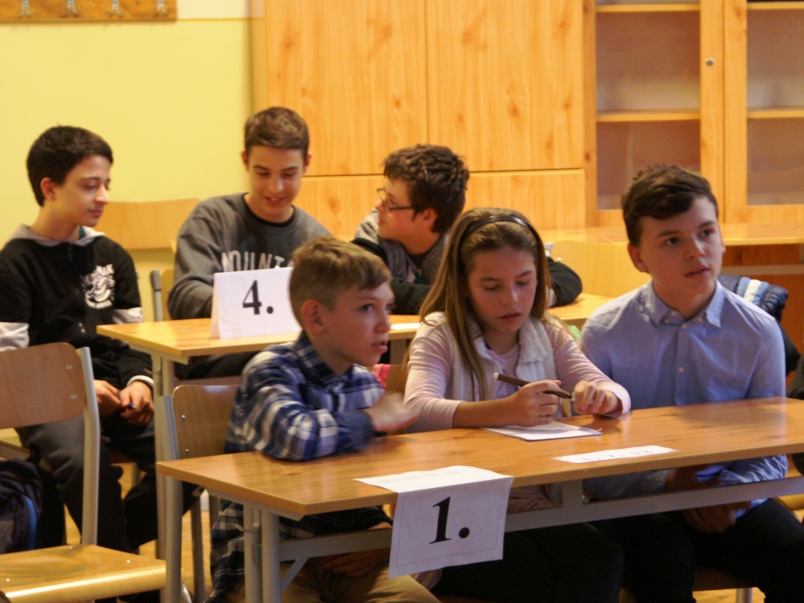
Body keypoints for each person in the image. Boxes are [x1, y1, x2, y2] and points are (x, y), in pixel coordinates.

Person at [580, 163, 804, 602]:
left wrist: (730, 496)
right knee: (660, 563)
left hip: (728, 496)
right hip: (637, 503)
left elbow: (771, 449)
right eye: (672, 240)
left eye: (706, 233)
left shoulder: (759, 331)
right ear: (637, 257)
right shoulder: (605, 332)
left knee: (796, 554)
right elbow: (588, 464)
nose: (696, 251)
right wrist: (666, 484)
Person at [0, 126, 191, 603]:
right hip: (50, 400)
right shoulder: (14, 262)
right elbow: (12, 361)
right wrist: (81, 391)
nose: (103, 196)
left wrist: (140, 382)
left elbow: (133, 339)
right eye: (90, 185)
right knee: (84, 458)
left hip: (119, 394)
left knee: (190, 451)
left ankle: (114, 553)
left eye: (106, 183)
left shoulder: (110, 254)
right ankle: (133, 584)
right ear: (49, 187)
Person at [402, 207, 628, 602]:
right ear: (464, 284)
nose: (512, 299)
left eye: (524, 282)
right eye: (492, 287)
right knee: (566, 570)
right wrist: (506, 411)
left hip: (534, 505)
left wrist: (603, 397)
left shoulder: (546, 332)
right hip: (457, 514)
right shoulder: (440, 333)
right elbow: (416, 411)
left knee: (600, 557)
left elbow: (616, 392)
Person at [207, 236, 439, 603]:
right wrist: (370, 420)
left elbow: (364, 481)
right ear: (316, 316)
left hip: (341, 552)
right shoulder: (272, 370)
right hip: (264, 553)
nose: (385, 324)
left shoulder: (364, 383)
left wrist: (382, 530)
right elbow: (295, 437)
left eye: (388, 308)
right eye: (367, 308)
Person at [169, 106, 330, 377]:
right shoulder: (211, 218)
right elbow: (185, 294)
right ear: (245, 161)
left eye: (288, 174)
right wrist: (257, 312)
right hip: (217, 365)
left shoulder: (317, 240)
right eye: (263, 173)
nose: (275, 187)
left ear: (307, 163)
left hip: (292, 367)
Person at [354, 144, 583, 314]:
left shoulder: (469, 238)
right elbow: (364, 284)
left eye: (391, 203)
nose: (378, 206)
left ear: (427, 216)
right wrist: (474, 298)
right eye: (383, 195)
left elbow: (565, 277)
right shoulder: (373, 230)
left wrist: (530, 296)